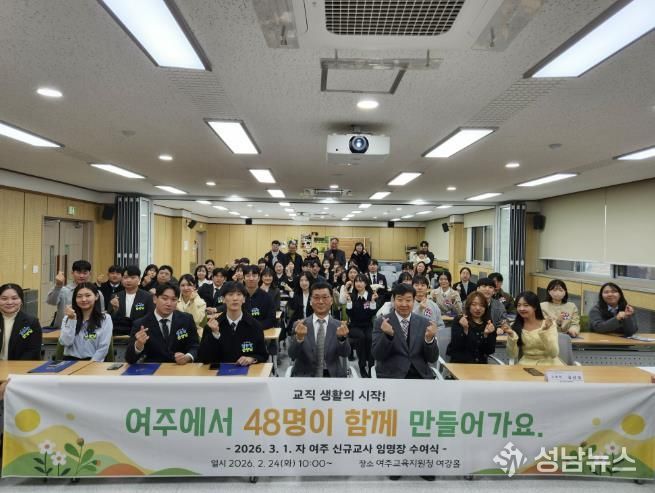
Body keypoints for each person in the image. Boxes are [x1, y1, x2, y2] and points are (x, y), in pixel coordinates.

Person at [371, 283, 439, 379]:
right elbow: (377, 355)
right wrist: (387, 336)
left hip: (419, 375)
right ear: (393, 300)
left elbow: (432, 358)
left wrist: (429, 340)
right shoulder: (382, 322)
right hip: (392, 376)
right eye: (399, 300)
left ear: (414, 301)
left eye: (408, 300)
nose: (404, 304)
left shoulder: (424, 323)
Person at [126, 283, 199, 364]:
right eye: (164, 299)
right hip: (154, 369)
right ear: (155, 299)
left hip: (181, 367)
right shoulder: (141, 324)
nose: (169, 303)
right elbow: (130, 359)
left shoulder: (186, 319)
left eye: (174, 300)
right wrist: (138, 345)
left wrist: (188, 357)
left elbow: (195, 346)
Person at [289, 281, 350, 377]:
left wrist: (342, 339)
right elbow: (292, 354)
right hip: (305, 376)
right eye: (316, 298)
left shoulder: (339, 326)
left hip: (332, 375)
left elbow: (345, 353)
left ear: (331, 300)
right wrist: (299, 338)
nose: (321, 301)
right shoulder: (300, 325)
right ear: (310, 301)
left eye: (325, 297)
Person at [198, 282, 268, 365]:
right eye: (230, 294)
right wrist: (215, 334)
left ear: (244, 299)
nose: (235, 298)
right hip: (218, 371)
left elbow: (263, 355)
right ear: (223, 299)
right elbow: (203, 358)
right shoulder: (212, 325)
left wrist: (251, 358)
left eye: (239, 294)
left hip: (247, 371)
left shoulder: (255, 326)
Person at [502, 291, 563, 366]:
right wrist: (511, 335)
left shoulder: (549, 324)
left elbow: (553, 353)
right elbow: (512, 354)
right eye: (518, 305)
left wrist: (545, 331)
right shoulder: (515, 326)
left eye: (526, 305)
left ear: (535, 307)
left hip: (550, 364)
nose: (521, 308)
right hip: (526, 364)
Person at [59, 283, 112, 361]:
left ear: (96, 296)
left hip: (94, 362)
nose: (83, 299)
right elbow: (66, 342)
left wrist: (90, 364)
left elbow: (103, 348)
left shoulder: (105, 318)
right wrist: (72, 320)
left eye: (88, 295)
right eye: (79, 296)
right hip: (70, 361)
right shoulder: (68, 318)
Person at [47, 260, 105, 328]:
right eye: (78, 272)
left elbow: (101, 313)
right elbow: (51, 302)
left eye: (85, 273)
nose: (81, 276)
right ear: (72, 273)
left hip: (89, 330)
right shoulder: (63, 290)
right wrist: (58, 285)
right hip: (64, 329)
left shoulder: (96, 293)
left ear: (90, 273)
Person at [447, 292, 497, 363]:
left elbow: (490, 351)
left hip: (480, 365)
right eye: (474, 304)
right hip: (460, 364)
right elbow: (456, 347)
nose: (478, 308)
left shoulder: (488, 323)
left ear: (485, 308)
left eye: (481, 305)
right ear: (468, 306)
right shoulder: (460, 320)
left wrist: (486, 335)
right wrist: (465, 330)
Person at [345, 274, 379, 377]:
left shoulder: (370, 296)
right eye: (356, 281)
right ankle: (362, 366)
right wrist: (349, 302)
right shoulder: (352, 296)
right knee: (361, 337)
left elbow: (372, 314)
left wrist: (372, 301)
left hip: (367, 325)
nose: (358, 284)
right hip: (354, 326)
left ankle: (371, 366)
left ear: (366, 283)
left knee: (370, 337)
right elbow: (350, 314)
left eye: (361, 281)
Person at [108, 265, 155, 335]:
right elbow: (109, 320)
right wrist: (115, 310)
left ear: (139, 279)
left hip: (140, 333)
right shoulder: (115, 296)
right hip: (119, 335)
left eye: (132, 277)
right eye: (125, 277)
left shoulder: (148, 297)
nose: (128, 280)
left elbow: (150, 317)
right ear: (122, 279)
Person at [0, 283, 42, 360]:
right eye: (4, 299)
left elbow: (33, 351)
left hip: (20, 365)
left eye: (14, 298)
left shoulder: (31, 323)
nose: (9, 302)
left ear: (21, 301)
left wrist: (14, 365)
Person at [242, 265, 275, 330]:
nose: (251, 279)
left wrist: (255, 327)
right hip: (241, 331)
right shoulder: (238, 296)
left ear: (259, 278)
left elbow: (271, 320)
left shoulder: (267, 297)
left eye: (254, 276)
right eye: (248, 276)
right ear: (243, 278)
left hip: (260, 331)